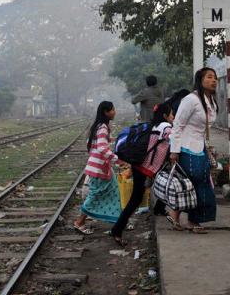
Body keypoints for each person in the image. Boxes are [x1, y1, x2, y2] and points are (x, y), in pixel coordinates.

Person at [110, 103, 175, 245]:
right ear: (165, 116)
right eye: (171, 114)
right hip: (146, 166)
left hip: (140, 164)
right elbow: (175, 142)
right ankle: (117, 230)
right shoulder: (166, 127)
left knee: (140, 196)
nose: (173, 117)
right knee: (136, 198)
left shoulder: (154, 125)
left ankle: (158, 208)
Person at [168, 67, 218, 233]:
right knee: (195, 183)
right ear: (200, 80)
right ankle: (192, 221)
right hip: (186, 148)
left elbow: (205, 128)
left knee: (197, 183)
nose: (214, 80)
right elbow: (178, 125)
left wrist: (208, 147)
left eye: (215, 78)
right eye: (209, 77)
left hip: (200, 148)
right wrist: (174, 151)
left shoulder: (210, 101)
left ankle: (179, 217)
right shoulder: (191, 99)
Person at [74, 101, 128, 235]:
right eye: (113, 110)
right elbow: (102, 147)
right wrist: (118, 160)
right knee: (95, 195)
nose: (115, 112)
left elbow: (93, 144)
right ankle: (79, 222)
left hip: (99, 166)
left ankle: (118, 221)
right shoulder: (103, 127)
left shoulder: (97, 126)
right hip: (99, 168)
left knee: (114, 192)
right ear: (106, 112)